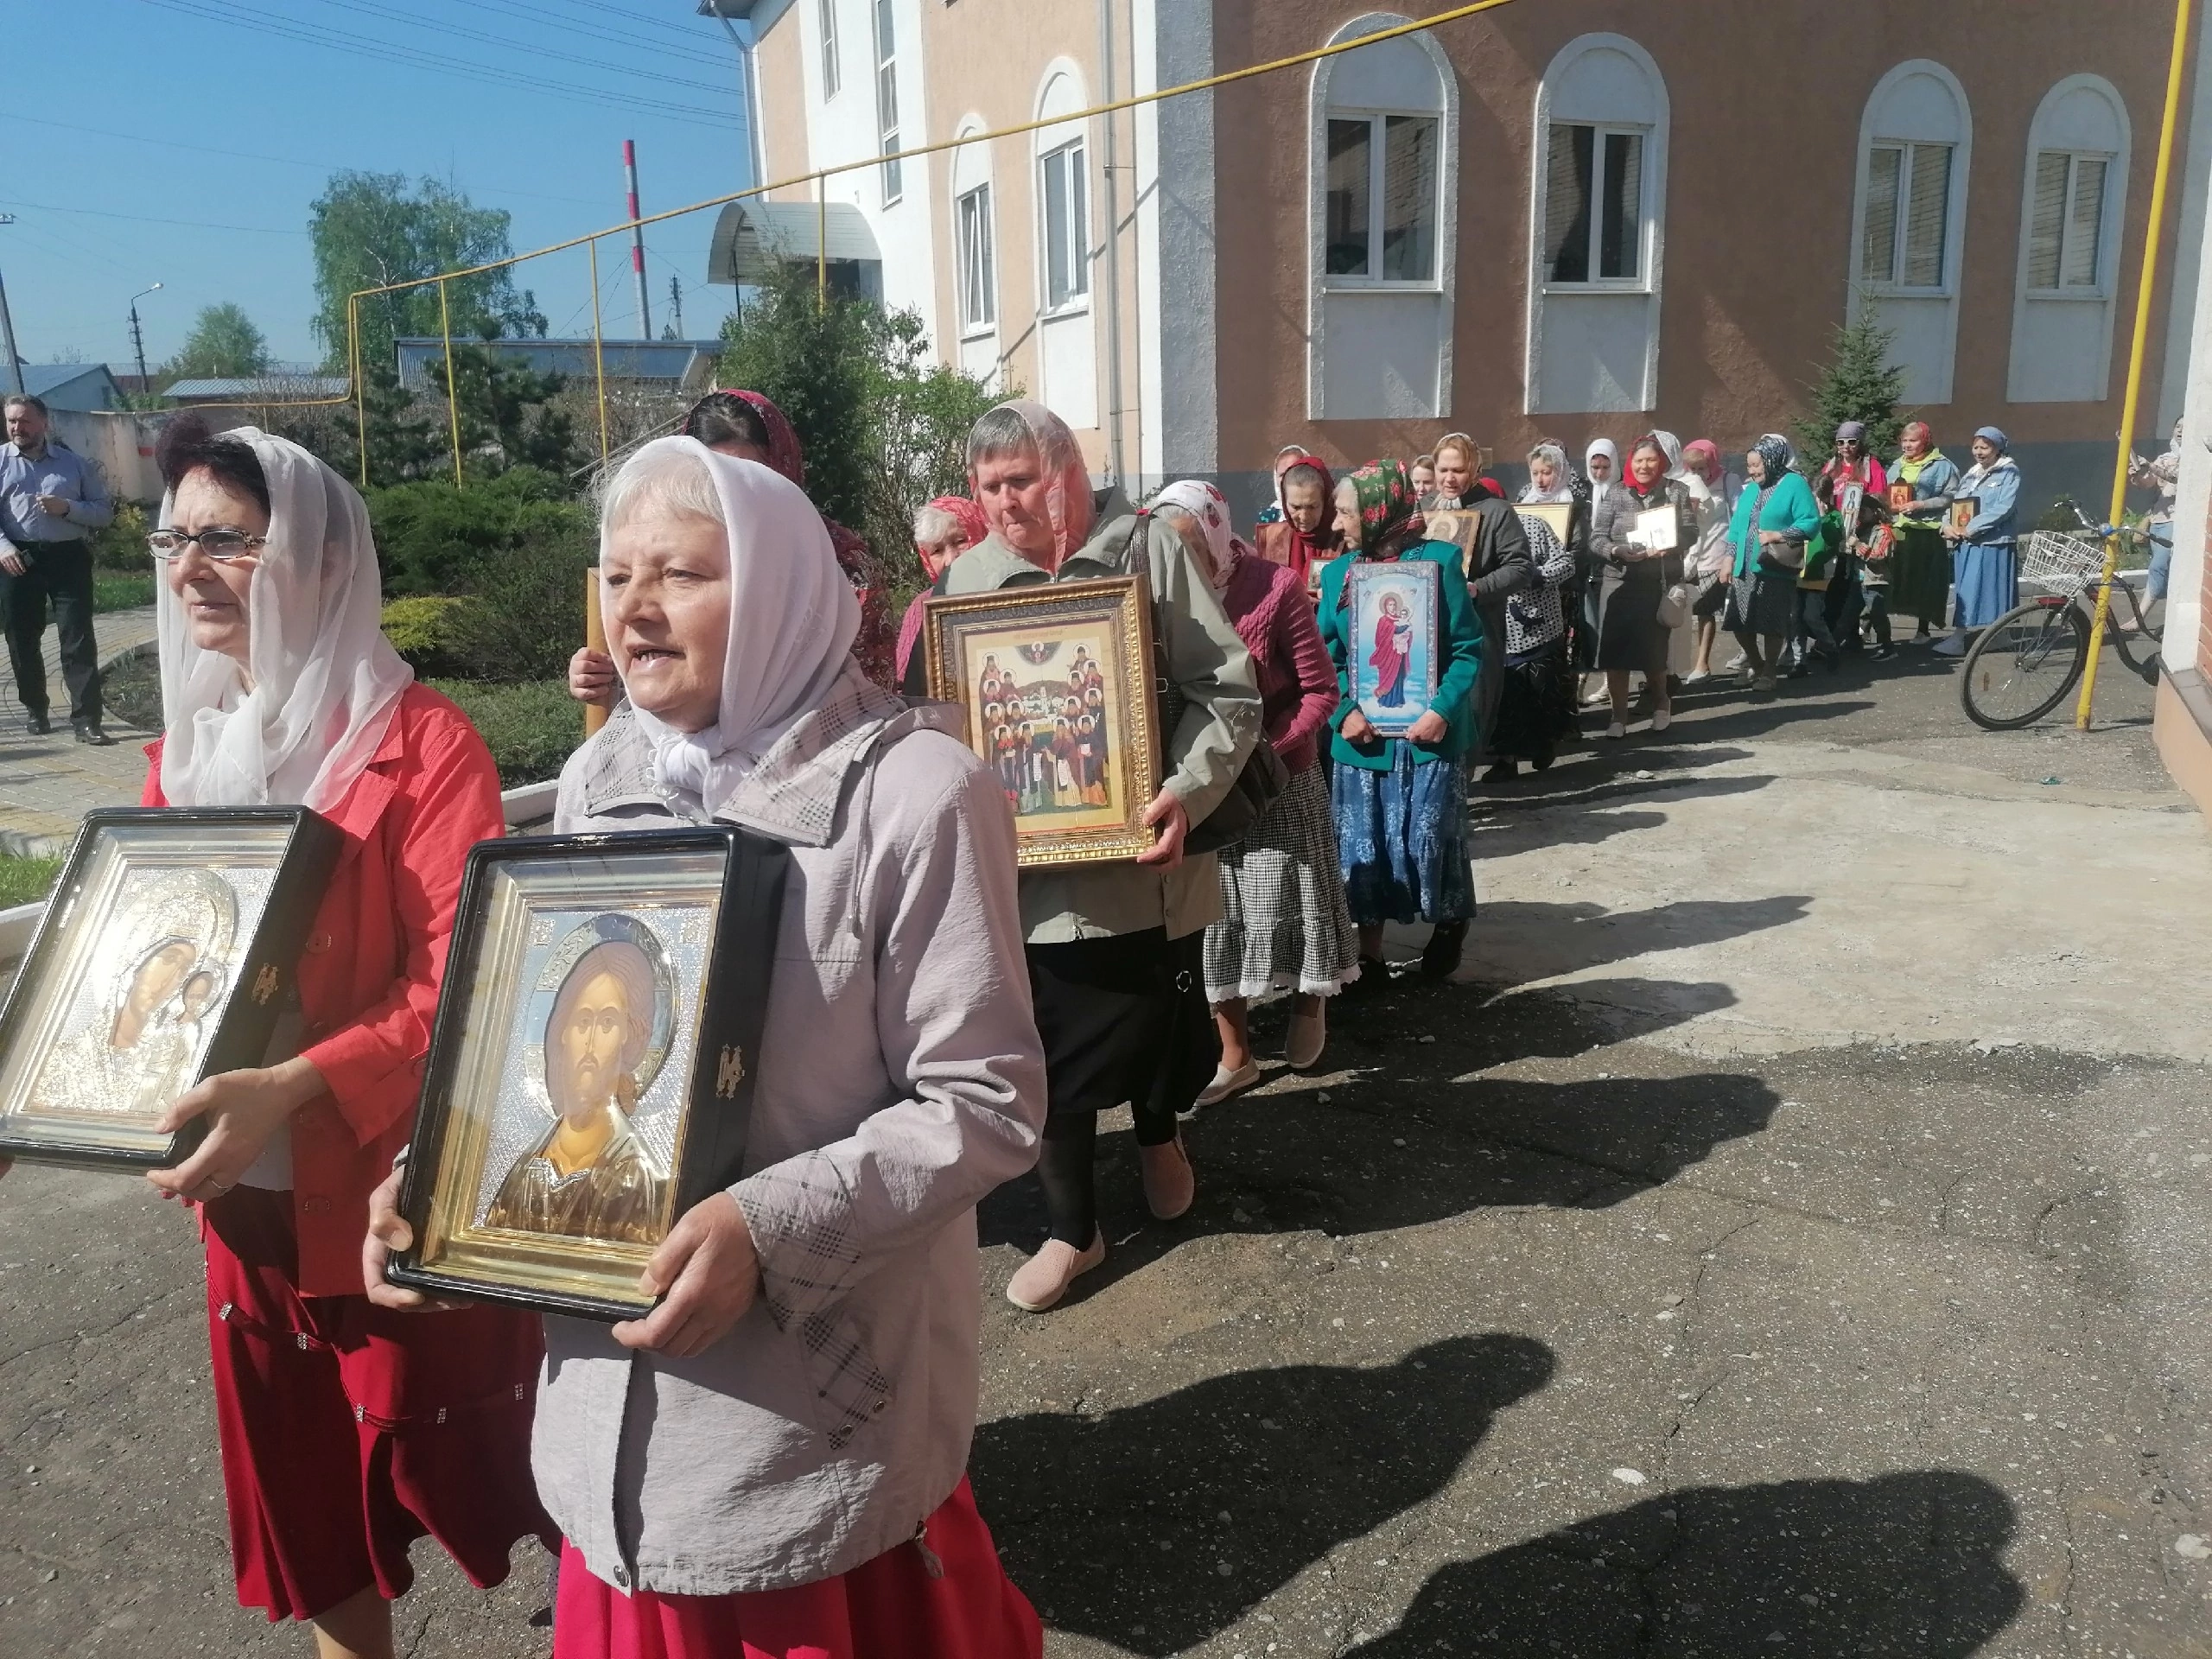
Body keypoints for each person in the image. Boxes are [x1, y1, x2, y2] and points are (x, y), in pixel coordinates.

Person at [372, 435, 1049, 1658]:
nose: (634, 606)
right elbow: (546, 1045)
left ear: (781, 589)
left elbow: (984, 1102)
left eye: (680, 573)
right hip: (600, 1420)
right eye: (616, 575)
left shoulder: (915, 793)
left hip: (801, 1426)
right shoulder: (596, 779)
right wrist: (445, 1180)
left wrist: (763, 1230)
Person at [140, 416, 551, 1657]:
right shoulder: (186, 754)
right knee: (307, 1497)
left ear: (322, 559)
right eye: (172, 537)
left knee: (478, 1453)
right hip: (239, 1197)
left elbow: (460, 988)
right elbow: (146, 970)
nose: (189, 568)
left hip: (382, 1189)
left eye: (227, 540)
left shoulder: (422, 745)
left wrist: (294, 1086)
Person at [918, 401, 1259, 1313]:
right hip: (1028, 886)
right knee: (1044, 1058)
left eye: (1020, 481)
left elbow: (1226, 691)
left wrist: (1184, 793)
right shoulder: (966, 584)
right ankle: (1074, 1229)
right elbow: (944, 727)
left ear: (1066, 472)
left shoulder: (1145, 550)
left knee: (1158, 1035)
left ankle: (1158, 1136)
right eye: (988, 487)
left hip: (1147, 865)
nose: (1004, 503)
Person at [1147, 482, 1352, 1103]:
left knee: (1296, 902)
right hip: (1202, 785)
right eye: (1167, 548)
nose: (1179, 560)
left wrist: (1266, 752)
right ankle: (1235, 1055)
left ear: (1214, 532)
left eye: (1189, 547)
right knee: (1218, 919)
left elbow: (1321, 691)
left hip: (1276, 779)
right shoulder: (1157, 596)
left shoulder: (1273, 588)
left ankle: (1310, 1002)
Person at [569, 388, 895, 704]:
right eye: (712, 477)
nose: (729, 495)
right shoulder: (648, 557)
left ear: (784, 473)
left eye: (747, 476)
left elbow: (867, 691)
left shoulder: (841, 569)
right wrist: (607, 676)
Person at [1319, 461, 1483, 985]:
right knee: (1364, 846)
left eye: (1346, 513)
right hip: (1363, 740)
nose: (1337, 524)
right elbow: (1324, 658)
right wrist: (1345, 711)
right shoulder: (1339, 576)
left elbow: (1467, 649)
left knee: (1428, 837)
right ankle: (1369, 956)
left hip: (1429, 735)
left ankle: (1448, 921)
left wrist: (1441, 711)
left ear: (1377, 512)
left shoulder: (1439, 563)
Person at [1, 392, 117, 743]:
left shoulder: (74, 464)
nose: (17, 427)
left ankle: (87, 720)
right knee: (22, 638)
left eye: (24, 420)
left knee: (76, 637)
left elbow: (103, 512)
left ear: (43, 422)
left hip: (68, 558)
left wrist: (67, 508)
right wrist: (3, 547)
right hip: (17, 558)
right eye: (11, 421)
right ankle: (35, 709)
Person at [1586, 435, 1688, 738]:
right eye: (1639, 460)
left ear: (1662, 462)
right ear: (1631, 462)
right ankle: (1618, 716)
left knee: (1653, 653)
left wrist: (1670, 544)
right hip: (1618, 582)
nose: (1644, 466)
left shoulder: (1676, 491)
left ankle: (1661, 704)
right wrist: (1616, 551)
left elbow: (1692, 532)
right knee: (1614, 653)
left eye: (1651, 460)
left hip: (1656, 582)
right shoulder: (1617, 492)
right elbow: (1597, 538)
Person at [1484, 504, 1578, 778]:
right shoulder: (1473, 528)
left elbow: (1565, 564)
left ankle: (1544, 743)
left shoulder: (1533, 526)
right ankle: (1506, 759)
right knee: (1504, 697)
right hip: (1494, 627)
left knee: (1540, 693)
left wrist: (1533, 576)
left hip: (1536, 627)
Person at [1723, 435, 1821, 691]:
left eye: (1757, 465)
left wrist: (1779, 535)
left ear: (1772, 460)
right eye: (1749, 465)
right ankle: (1756, 664)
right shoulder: (1751, 489)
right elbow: (1736, 527)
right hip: (1744, 566)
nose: (1752, 470)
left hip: (1773, 566)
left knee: (1770, 622)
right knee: (1738, 621)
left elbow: (1811, 521)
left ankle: (1769, 672)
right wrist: (1729, 558)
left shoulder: (1794, 484)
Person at [1938, 427, 2022, 658]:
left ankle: (1971, 638)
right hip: (1967, 542)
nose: (1979, 452)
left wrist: (1972, 529)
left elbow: (2004, 508)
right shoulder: (1971, 475)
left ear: (1998, 449)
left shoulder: (2009, 473)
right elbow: (1957, 504)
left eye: (1985, 447)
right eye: (1976, 447)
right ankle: (1974, 636)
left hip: (1994, 542)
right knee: (1966, 589)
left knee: (1995, 590)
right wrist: (1946, 525)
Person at [896, 494, 989, 683]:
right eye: (937, 551)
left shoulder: (1009, 591)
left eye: (960, 541)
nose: (951, 559)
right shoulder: (921, 608)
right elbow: (905, 683)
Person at [1816, 422, 1890, 655]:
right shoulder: (1831, 466)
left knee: (1854, 588)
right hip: (1836, 532)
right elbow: (1823, 493)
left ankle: (1854, 637)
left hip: (1859, 532)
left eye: (1851, 441)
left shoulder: (1870, 466)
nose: (1845, 446)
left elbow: (1879, 498)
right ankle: (1843, 637)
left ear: (1860, 442)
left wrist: (1862, 511)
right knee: (1836, 587)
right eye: (1841, 442)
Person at [1887, 423, 1961, 642]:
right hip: (1900, 529)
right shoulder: (1897, 465)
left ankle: (1923, 629)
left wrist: (1921, 505)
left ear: (1925, 441)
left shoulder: (1943, 466)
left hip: (1927, 531)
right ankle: (1874, 626)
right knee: (1892, 578)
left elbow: (1951, 497)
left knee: (1924, 582)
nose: (1907, 445)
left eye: (1913, 440)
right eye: (1904, 440)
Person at [1679, 439, 1741, 683]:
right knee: (1683, 609)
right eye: (1692, 469)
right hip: (1689, 555)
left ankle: (1702, 664)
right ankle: (1678, 665)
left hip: (1716, 553)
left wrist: (1731, 554)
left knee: (1706, 609)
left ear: (1712, 464)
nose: (1697, 474)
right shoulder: (1683, 484)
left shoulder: (1728, 481)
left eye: (1701, 468)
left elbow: (1738, 516)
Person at [1252, 454, 1341, 588]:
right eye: (1296, 507)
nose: (1304, 517)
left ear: (1326, 501)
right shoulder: (1272, 540)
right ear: (1284, 502)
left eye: (1312, 507)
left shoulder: (1345, 541)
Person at [2130, 419, 2183, 608]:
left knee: (2157, 566)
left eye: (2185, 427)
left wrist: (2151, 466)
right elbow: (2148, 483)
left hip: (2175, 519)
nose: (2180, 431)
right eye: (2178, 427)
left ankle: (2140, 616)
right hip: (2158, 519)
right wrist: (2137, 476)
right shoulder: (2165, 458)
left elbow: (2176, 478)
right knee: (2163, 568)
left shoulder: (2193, 459)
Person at [1252, 444, 1312, 525]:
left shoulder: (1318, 512)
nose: (1287, 479)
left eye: (1293, 472)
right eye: (1282, 475)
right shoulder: (1268, 517)